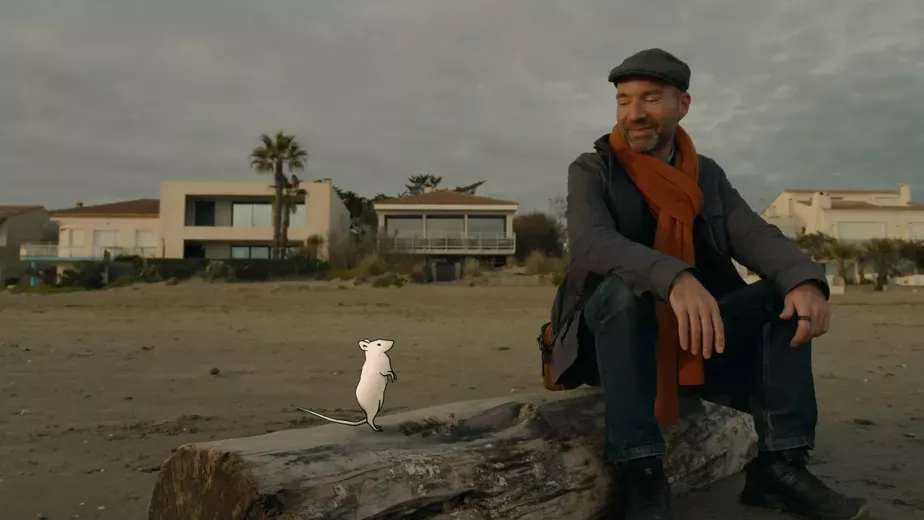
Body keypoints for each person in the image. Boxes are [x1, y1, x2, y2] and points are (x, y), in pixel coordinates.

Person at [546, 48, 869, 520]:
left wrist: (804, 280)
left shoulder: (706, 175)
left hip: (693, 336)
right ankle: (641, 473)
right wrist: (674, 277)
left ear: (683, 104)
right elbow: (592, 242)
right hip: (611, 338)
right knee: (623, 292)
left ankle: (780, 466)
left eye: (650, 98)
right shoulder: (593, 169)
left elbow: (753, 234)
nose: (634, 113)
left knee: (782, 295)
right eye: (623, 100)